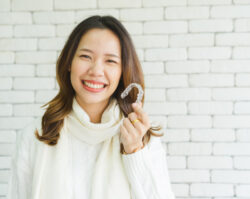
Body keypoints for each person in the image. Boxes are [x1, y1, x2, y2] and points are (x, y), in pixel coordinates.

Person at [7, 15, 175, 199]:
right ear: (69, 62)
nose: (96, 70)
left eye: (110, 61)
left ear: (122, 71)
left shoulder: (142, 138)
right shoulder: (34, 137)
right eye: (86, 56)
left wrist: (134, 152)